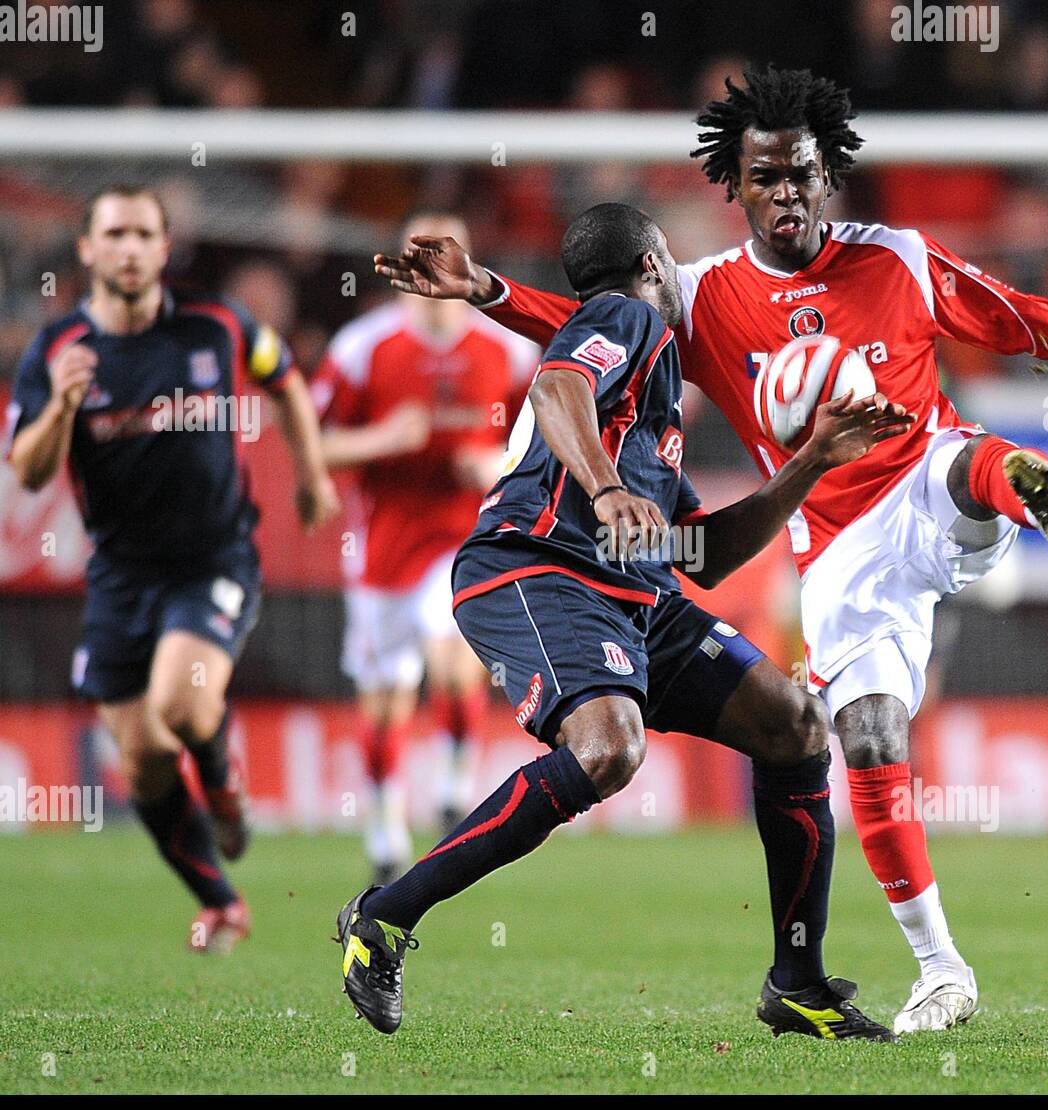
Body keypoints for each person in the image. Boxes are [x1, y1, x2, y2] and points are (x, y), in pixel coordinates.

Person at [374, 66, 1048, 1033]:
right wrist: (493, 294)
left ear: (827, 173)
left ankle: (1020, 490)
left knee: (953, 474)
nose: (787, 191)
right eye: (766, 177)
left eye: (802, 172)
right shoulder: (696, 300)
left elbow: (1028, 323)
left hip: (920, 472)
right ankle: (932, 971)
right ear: (738, 187)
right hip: (831, 547)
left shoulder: (899, 259)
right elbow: (585, 335)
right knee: (849, 737)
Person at [341, 202, 915, 1038]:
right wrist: (606, 489)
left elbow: (704, 556)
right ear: (655, 263)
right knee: (609, 748)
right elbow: (556, 383)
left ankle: (797, 984)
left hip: (637, 591)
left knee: (794, 725)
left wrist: (812, 461)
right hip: (534, 567)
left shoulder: (655, 402)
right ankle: (383, 918)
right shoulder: (630, 319)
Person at [5, 185, 340, 952]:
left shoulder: (217, 325)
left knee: (182, 707)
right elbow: (27, 472)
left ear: (163, 248)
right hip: (120, 576)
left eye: (143, 233)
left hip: (214, 557)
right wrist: (60, 408)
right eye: (113, 233)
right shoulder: (57, 353)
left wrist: (312, 473)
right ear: (88, 249)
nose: (129, 247)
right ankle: (222, 901)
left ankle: (223, 789)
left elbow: (283, 375)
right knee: (145, 761)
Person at [314, 212, 538, 882]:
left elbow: (542, 440)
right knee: (385, 695)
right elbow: (313, 444)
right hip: (385, 542)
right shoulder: (362, 348)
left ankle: (450, 791)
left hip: (466, 536)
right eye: (422, 249)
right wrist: (383, 439)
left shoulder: (509, 348)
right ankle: (384, 823)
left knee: (453, 651)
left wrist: (497, 462)